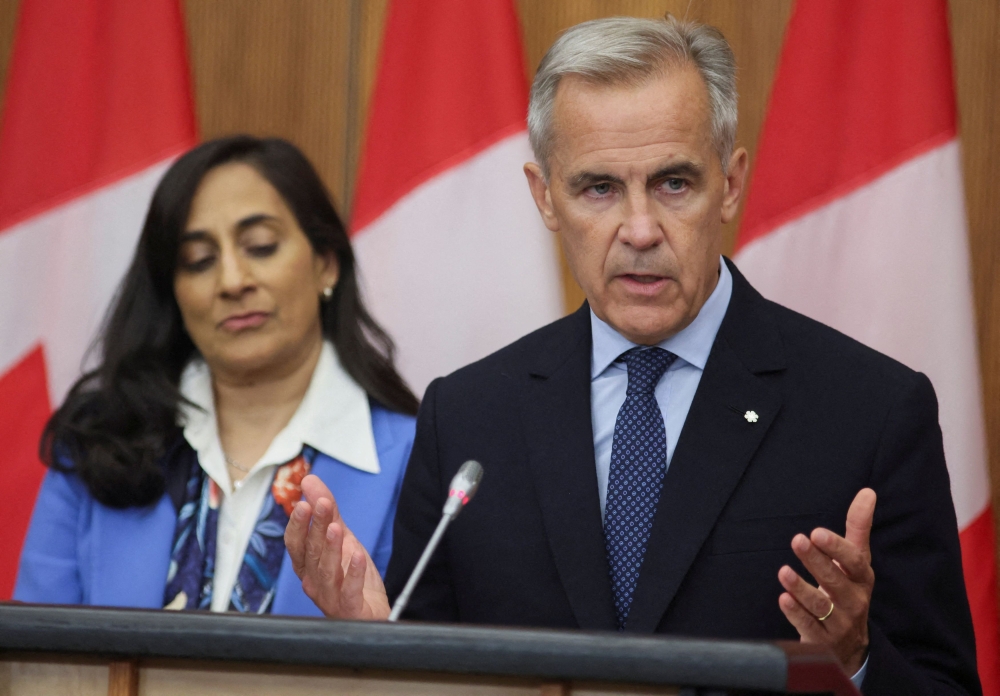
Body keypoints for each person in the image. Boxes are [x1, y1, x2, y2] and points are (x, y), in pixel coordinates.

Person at [284, 16, 980, 694]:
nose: (641, 230)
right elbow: (436, 674)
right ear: (545, 196)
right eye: (600, 188)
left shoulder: (870, 412)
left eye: (674, 183)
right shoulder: (467, 416)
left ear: (730, 185)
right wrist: (374, 643)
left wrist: (854, 659)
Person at [15, 135, 418, 616]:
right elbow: (32, 669)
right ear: (174, 292)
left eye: (261, 247)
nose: (232, 281)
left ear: (325, 264)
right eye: (199, 261)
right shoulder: (98, 443)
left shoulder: (416, 462)